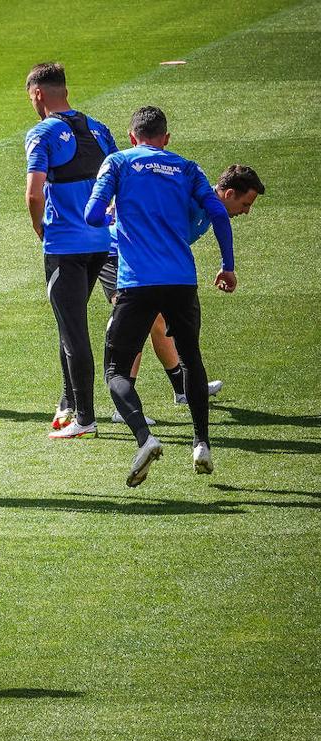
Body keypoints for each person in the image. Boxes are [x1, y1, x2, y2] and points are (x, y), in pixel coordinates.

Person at [85, 106, 238, 486]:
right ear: (166, 139)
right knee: (192, 360)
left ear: (132, 135)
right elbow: (218, 212)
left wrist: (113, 216)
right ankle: (201, 441)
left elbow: (91, 215)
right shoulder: (187, 167)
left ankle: (144, 438)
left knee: (116, 370)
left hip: (136, 282)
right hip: (181, 281)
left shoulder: (118, 162)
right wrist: (227, 265)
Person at [100, 164, 263, 422]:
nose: (246, 211)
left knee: (158, 321)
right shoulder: (191, 196)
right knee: (141, 322)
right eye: (245, 204)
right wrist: (115, 209)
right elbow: (147, 198)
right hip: (116, 252)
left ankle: (182, 388)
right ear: (229, 194)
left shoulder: (207, 207)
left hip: (146, 261)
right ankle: (124, 405)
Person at [23, 62, 120, 438]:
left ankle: (85, 417)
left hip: (65, 244)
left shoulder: (42, 132)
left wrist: (39, 229)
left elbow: (34, 192)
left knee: (73, 328)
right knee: (70, 322)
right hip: (100, 242)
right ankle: (68, 401)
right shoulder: (99, 128)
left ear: (37, 94)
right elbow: (117, 179)